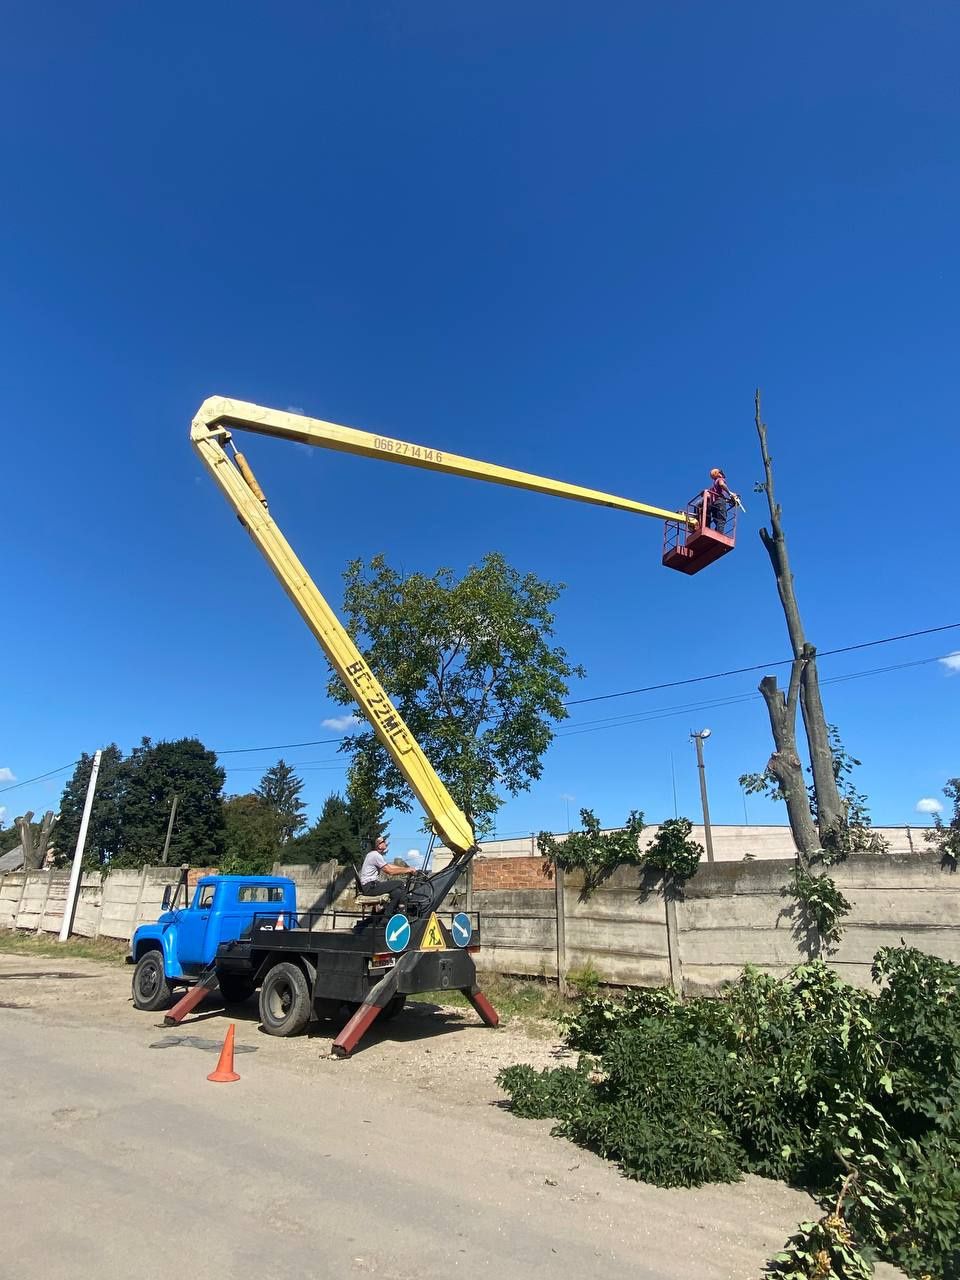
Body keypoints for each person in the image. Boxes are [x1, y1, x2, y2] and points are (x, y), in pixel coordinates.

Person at [357, 835, 418, 914]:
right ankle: (402, 908)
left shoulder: (373, 854)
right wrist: (407, 870)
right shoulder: (375, 856)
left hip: (371, 886)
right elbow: (390, 871)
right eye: (383, 842)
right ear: (378, 845)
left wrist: (408, 869)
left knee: (397, 893)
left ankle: (387, 914)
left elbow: (389, 866)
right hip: (370, 887)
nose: (385, 843)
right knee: (400, 883)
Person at [705, 467, 739, 533]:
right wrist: (730, 493)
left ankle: (716, 533)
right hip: (720, 503)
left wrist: (730, 500)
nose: (722, 474)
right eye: (720, 473)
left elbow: (718, 496)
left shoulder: (713, 487)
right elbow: (722, 484)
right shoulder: (720, 479)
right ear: (717, 474)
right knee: (721, 520)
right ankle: (719, 534)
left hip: (713, 504)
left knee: (716, 520)